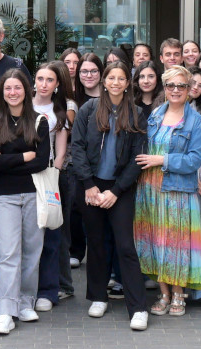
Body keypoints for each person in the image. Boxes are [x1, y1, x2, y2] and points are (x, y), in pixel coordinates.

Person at [70, 62, 150, 330]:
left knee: (125, 245)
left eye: (121, 78)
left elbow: (137, 159)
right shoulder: (88, 110)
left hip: (120, 188)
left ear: (128, 83)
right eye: (111, 78)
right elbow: (77, 147)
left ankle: (138, 307)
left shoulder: (137, 114)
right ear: (104, 81)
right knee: (96, 242)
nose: (115, 82)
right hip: (91, 185)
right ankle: (98, 296)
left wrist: (116, 191)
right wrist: (89, 185)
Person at [134, 65, 201, 318]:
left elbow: (195, 160)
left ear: (189, 89)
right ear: (164, 88)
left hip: (177, 189)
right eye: (170, 86)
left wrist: (162, 160)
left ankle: (179, 294)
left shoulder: (195, 121)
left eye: (181, 86)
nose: (175, 90)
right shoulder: (155, 114)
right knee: (155, 241)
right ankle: (164, 293)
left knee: (176, 244)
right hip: (150, 188)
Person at [0, 69, 50, 334]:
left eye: (17, 88)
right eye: (8, 88)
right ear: (2, 92)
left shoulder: (40, 121)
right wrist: (24, 157)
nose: (13, 92)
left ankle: (25, 302)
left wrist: (6, 160)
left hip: (34, 194)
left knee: (32, 251)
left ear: (27, 90)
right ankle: (6, 311)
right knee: (8, 253)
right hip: (4, 197)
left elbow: (42, 162)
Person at [32, 61, 78, 309]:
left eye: (50, 80)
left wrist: (52, 177)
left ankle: (53, 289)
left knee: (53, 233)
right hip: (23, 177)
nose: (44, 84)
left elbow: (61, 153)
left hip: (50, 177)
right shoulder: (24, 106)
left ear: (57, 84)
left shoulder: (59, 112)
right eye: (40, 79)